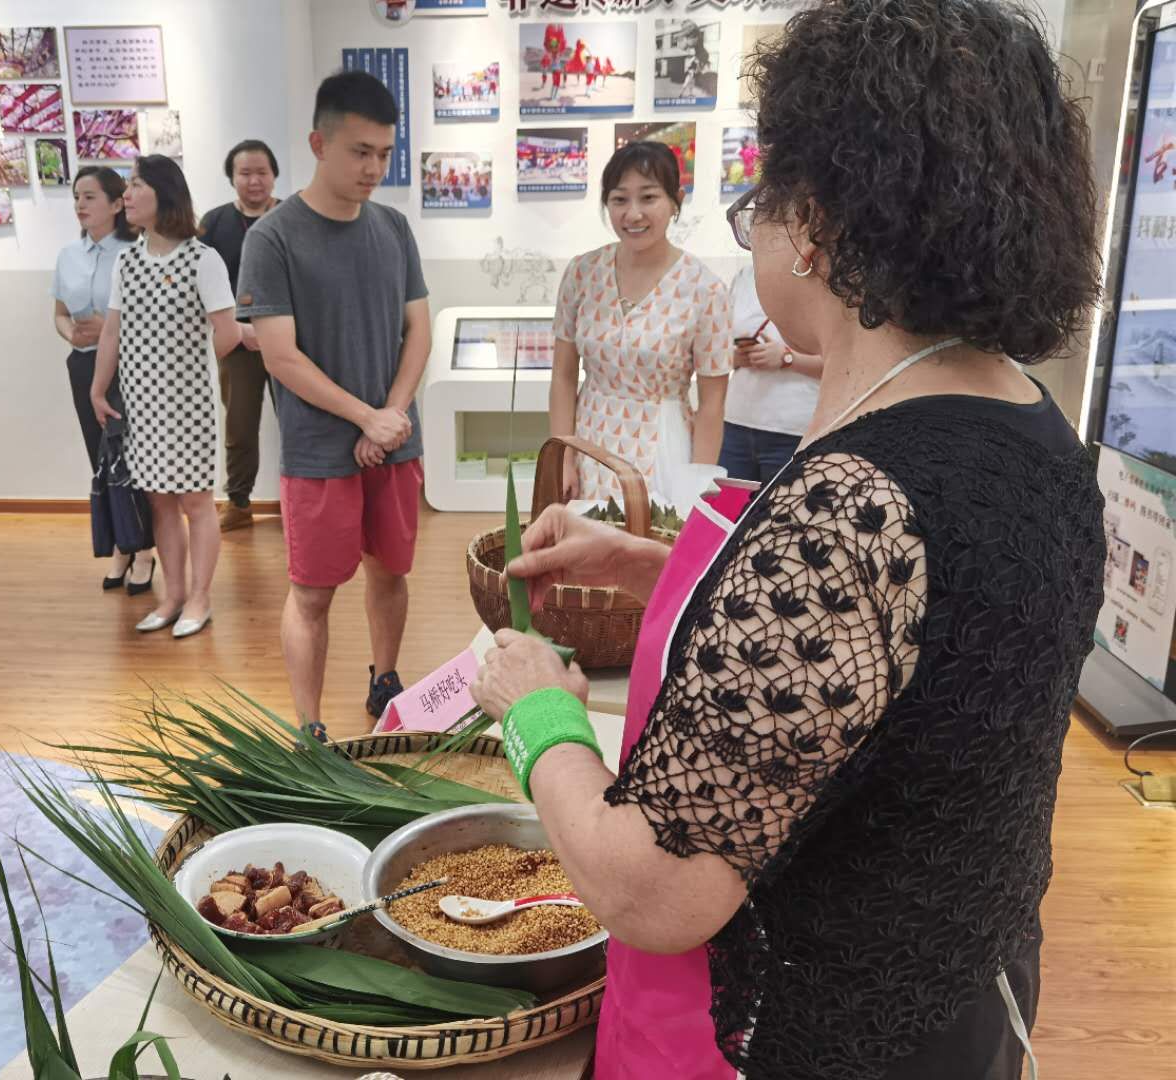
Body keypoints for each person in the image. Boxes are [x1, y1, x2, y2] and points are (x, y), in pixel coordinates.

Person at [472, 0, 1107, 1077]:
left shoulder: (851, 508)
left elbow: (652, 889)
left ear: (812, 223)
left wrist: (537, 708)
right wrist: (653, 564)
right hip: (962, 992)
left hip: (820, 1031)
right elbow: (891, 670)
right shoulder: (1034, 428)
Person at [238, 70, 430, 725]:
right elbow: (282, 355)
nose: (374, 167)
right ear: (319, 143)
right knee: (312, 593)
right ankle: (308, 727)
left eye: (384, 153)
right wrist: (365, 417)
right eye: (359, 152)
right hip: (320, 450)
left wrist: (393, 414)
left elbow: (419, 328)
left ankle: (385, 678)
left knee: (391, 572)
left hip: (395, 439)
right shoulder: (273, 238)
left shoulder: (395, 229)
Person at [91, 155, 242, 638]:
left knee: (197, 503)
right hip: (140, 406)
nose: (127, 196)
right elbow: (112, 331)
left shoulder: (203, 258)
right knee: (158, 503)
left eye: (136, 186)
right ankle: (172, 595)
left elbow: (227, 332)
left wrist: (186, 372)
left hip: (188, 407)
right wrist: (99, 387)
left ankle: (200, 598)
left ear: (164, 193)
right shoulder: (127, 260)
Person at [550, 141, 730, 512]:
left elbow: (712, 403)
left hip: (662, 442)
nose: (633, 214)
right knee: (584, 554)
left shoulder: (705, 288)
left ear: (676, 200)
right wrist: (562, 457)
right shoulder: (582, 272)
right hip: (590, 440)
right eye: (619, 200)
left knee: (651, 554)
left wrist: (698, 485)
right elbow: (564, 376)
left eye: (648, 198)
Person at [51, 165, 154, 592]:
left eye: (90, 196)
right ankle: (120, 547)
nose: (80, 204)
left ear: (116, 204)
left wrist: (110, 333)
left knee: (135, 458)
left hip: (130, 368)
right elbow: (58, 315)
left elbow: (153, 319)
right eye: (77, 196)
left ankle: (145, 548)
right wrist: (73, 333)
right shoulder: (68, 255)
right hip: (83, 365)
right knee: (100, 457)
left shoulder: (138, 252)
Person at [198, 139, 281, 532]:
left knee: (301, 423)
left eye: (261, 172)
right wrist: (239, 329)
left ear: (274, 175)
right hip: (236, 342)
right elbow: (199, 285)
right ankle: (239, 502)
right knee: (240, 424)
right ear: (232, 177)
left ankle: (300, 502)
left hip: (290, 341)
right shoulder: (212, 224)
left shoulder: (293, 217)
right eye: (245, 173)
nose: (254, 180)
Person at [717, 263, 823, 483]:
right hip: (735, 423)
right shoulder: (745, 275)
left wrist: (787, 359)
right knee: (728, 512)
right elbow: (715, 350)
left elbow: (845, 362)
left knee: (779, 514)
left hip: (793, 429)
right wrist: (737, 357)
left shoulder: (824, 275)